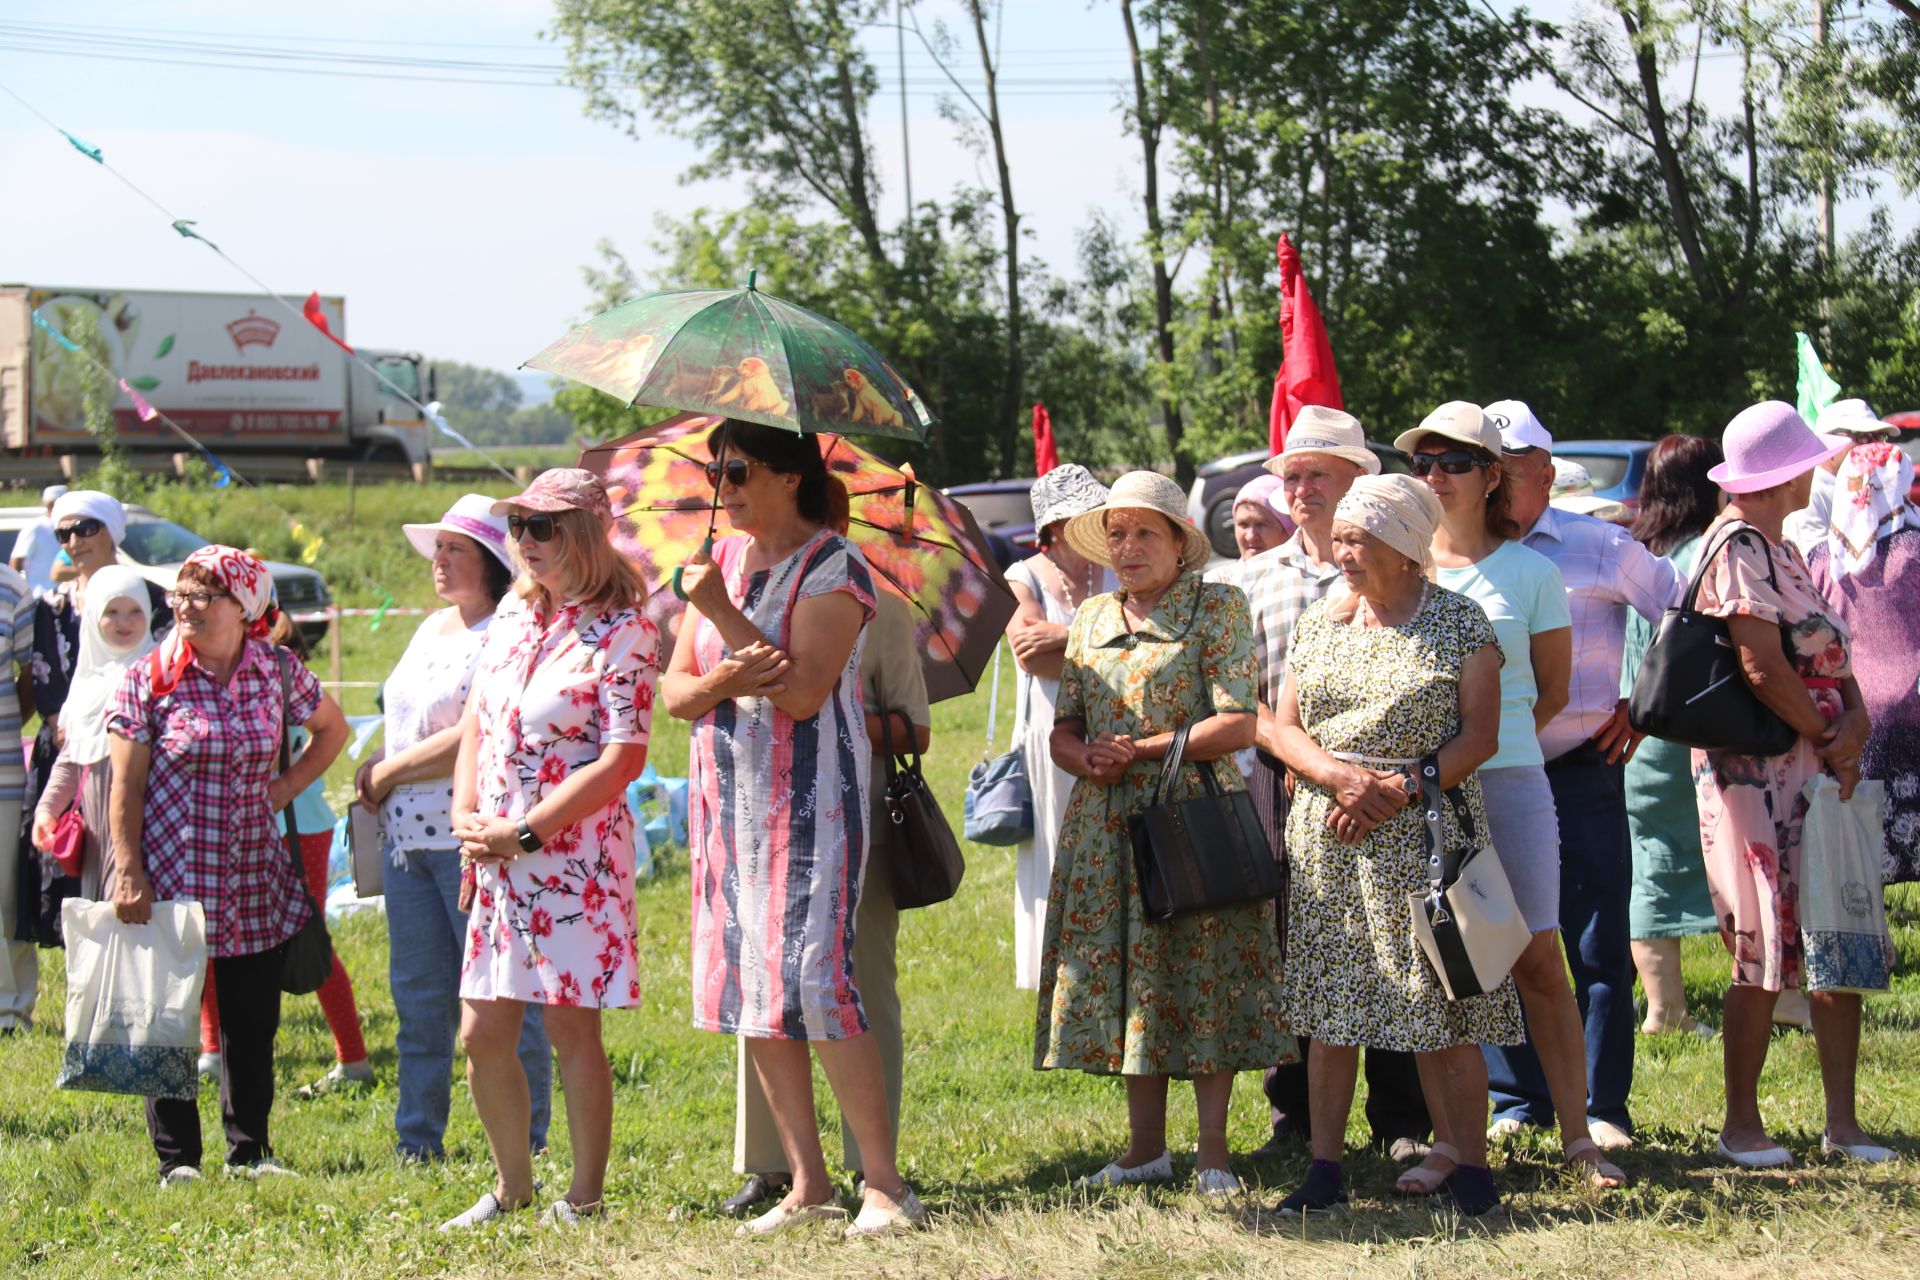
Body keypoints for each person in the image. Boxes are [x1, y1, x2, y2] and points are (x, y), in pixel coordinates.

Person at [665, 422, 926, 1238]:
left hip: (809, 812)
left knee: (818, 986)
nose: (723, 484)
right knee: (753, 997)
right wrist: (718, 666)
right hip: (726, 814)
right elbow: (675, 694)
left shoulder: (835, 567)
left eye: (737, 469)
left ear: (788, 477)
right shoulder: (724, 563)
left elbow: (805, 690)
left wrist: (718, 614)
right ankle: (808, 1185)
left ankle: (883, 1186)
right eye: (718, 470)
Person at [1037, 471, 1295, 1198]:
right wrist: (1084, 754)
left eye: (1145, 531)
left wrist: (1142, 748)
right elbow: (1066, 725)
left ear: (1181, 543)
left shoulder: (1217, 604)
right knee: (1131, 979)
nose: (1128, 546)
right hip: (1106, 823)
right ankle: (1145, 1147)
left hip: (1190, 817)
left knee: (1203, 976)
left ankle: (1213, 1151)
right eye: (1116, 533)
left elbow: (1238, 721)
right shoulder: (1089, 617)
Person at [1270, 474, 1520, 1217]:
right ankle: (1323, 1169)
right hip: (1331, 843)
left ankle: (1471, 1170)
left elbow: (1481, 735)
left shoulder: (1460, 623)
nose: (1343, 552)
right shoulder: (1321, 623)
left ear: (1409, 550)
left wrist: (1399, 788)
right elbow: (1282, 727)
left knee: (1445, 1010)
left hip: (1426, 843)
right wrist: (1340, 779)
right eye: (1340, 538)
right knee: (1331, 1014)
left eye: (1359, 540)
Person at [1403, 402, 1624, 1190]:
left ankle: (1579, 1137)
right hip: (1418, 795)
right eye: (1423, 462)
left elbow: (1554, 690)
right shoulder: (1403, 564)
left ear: (1492, 475)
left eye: (1452, 461)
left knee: (1537, 960)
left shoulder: (1532, 571)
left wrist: (1484, 746)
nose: (1434, 475)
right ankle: (1453, 1144)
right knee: (1439, 965)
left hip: (1511, 782)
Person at [442, 469, 658, 1228]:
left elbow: (623, 758)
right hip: (497, 853)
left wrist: (526, 830)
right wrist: (468, 817)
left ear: (586, 534)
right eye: (520, 526)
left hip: (575, 862)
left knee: (572, 1028)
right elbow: (478, 720)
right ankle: (512, 1187)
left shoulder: (626, 629)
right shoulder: (510, 616)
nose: (526, 542)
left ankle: (585, 1195)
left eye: (544, 526)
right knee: (481, 1032)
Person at [106, 545, 348, 1185]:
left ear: (242, 608)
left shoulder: (277, 669)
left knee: (251, 1024)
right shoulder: (150, 676)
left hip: (252, 877)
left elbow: (332, 730)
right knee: (170, 1022)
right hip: (171, 876)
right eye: (180, 593)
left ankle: (251, 1151)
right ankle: (177, 1160)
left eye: (202, 595)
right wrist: (128, 870)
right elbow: (123, 787)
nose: (184, 606)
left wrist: (285, 788)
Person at [1691, 401, 1889, 1168]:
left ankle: (1844, 1123)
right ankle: (1741, 1123)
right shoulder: (1739, 545)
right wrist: (1827, 736)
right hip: (1758, 772)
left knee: (1837, 933)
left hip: (1815, 766)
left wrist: (1856, 727)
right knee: (1762, 941)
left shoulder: (1783, 548)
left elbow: (1831, 653)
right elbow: (1761, 665)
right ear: (1789, 472)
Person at [1483, 399, 1682, 1151]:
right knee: (1495, 936)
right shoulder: (1457, 554)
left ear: (1545, 474)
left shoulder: (1598, 544)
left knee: (1596, 943)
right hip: (1491, 767)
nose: (1498, 488)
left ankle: (1605, 1105)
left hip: (1578, 765)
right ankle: (1516, 1100)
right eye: (1488, 473)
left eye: (1511, 473)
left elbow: (1683, 610)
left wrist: (1645, 704)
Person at [1239, 406, 1430, 1164]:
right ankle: (1296, 1119)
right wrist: (1313, 771)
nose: (1301, 489)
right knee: (1293, 942)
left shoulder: (1404, 567)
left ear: (1359, 479)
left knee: (1396, 942)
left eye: (1318, 473)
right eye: (1291, 475)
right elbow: (1238, 696)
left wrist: (1372, 781)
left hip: (1393, 786)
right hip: (1284, 782)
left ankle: (1402, 1118)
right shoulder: (1252, 578)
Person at [354, 494, 552, 1163]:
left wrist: (387, 773)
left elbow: (475, 730)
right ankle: (418, 1140)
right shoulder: (433, 627)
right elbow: (407, 714)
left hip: (470, 839)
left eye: (455, 549)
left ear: (493, 562)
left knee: (500, 995)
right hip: (408, 839)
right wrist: (379, 762)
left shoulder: (508, 629)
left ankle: (530, 1139)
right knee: (418, 997)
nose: (439, 561)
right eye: (437, 548)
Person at [721, 586, 930, 1218]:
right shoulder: (741, 600)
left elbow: (913, 727)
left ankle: (872, 1166)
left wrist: (822, 705)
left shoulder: (884, 607)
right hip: (762, 802)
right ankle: (774, 1162)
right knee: (764, 988)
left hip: (854, 806)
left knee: (859, 979)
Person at [19, 490, 171, 947]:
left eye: (87, 528)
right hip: (83, 784)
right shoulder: (56, 618)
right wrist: (49, 805)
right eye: (64, 532)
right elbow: (65, 731)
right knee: (91, 910)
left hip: (150, 795)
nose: (75, 540)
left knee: (148, 916)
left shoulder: (154, 632)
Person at [1620, 436, 1725, 1037]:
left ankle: (1665, 1009)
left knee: (1650, 865)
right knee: (1740, 858)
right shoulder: (1705, 553)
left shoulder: (1635, 551)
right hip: (1699, 732)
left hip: (1637, 732)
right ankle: (1782, 995)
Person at [1003, 466, 1112, 991]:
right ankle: (1067, 965)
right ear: (1053, 525)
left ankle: (1117, 946)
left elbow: (1152, 642)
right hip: (1053, 726)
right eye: (1079, 516)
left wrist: (1063, 637)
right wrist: (1111, 641)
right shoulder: (1022, 575)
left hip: (1122, 716)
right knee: (1060, 835)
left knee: (1117, 834)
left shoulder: (1120, 567)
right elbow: (1029, 656)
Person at [1807, 432, 1920, 884]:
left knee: (1863, 836)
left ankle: (1875, 943)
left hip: (1856, 710)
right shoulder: (1914, 550)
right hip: (1915, 701)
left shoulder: (1822, 558)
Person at [30, 566, 156, 910]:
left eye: (135, 611)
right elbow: (72, 759)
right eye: (111, 612)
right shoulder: (85, 685)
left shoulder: (157, 675)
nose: (123, 622)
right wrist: (47, 811)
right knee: (105, 919)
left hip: (149, 823)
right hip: (98, 831)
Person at [1781, 399, 1900, 556]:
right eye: (1863, 437)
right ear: (1828, 442)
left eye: (1879, 438)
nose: (1874, 446)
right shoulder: (1809, 494)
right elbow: (1816, 568)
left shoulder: (1871, 486)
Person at [0, 564, 32, 1034]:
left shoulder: (10, 587)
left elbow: (33, 671)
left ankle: (13, 1008)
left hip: (3, 767)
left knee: (9, 897)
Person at [1207, 475, 1294, 587]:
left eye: (1261, 524)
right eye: (1243, 525)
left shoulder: (1303, 580)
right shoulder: (1219, 584)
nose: (1250, 536)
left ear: (1288, 528)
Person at [8, 483, 67, 595]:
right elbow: (16, 561)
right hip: (40, 596)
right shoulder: (36, 527)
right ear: (49, 505)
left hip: (65, 596)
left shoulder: (69, 527)